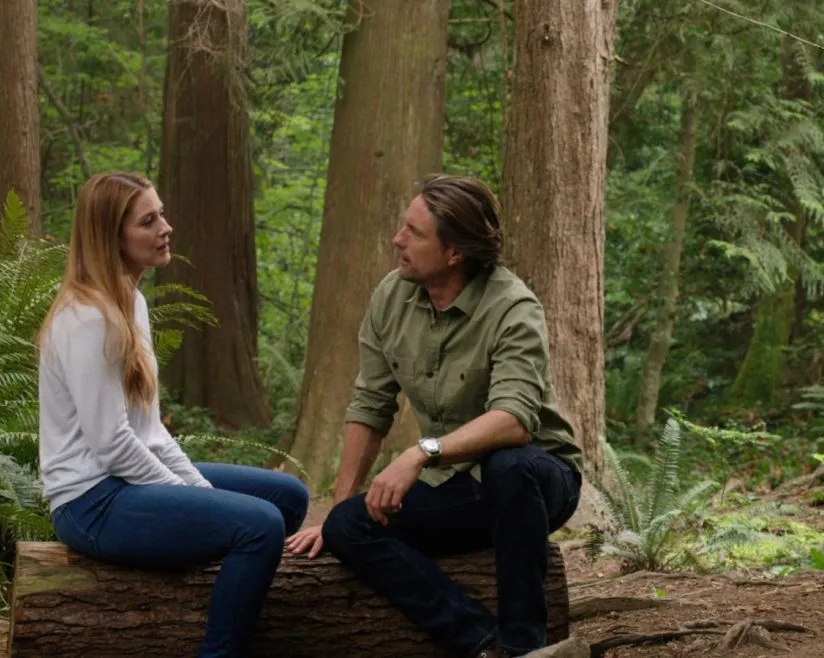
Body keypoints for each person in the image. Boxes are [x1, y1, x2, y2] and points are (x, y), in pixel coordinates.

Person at [285, 174, 582, 658]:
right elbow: (371, 404)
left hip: (539, 481)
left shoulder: (513, 307)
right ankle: (485, 646)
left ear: (454, 253)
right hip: (460, 488)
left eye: (414, 233)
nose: (397, 240)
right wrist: (341, 506)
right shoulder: (391, 297)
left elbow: (515, 420)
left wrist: (422, 452)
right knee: (347, 528)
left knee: (510, 464)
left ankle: (528, 645)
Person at [36, 172, 309, 658]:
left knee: (287, 497)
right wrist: (190, 495)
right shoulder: (87, 318)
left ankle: (214, 592)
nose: (166, 227)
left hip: (126, 483)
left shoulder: (131, 302)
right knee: (261, 525)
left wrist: (199, 494)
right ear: (111, 238)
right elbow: (112, 444)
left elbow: (150, 431)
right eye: (149, 220)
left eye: (161, 213)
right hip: (90, 502)